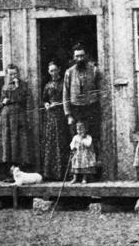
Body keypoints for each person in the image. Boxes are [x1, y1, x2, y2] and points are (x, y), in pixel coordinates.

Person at [63, 44, 102, 176]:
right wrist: (68, 114)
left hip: (91, 107)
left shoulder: (94, 70)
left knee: (93, 139)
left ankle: (92, 173)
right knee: (76, 139)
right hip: (76, 109)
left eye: (82, 55)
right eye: (77, 56)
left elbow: (101, 90)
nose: (80, 58)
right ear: (74, 57)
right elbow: (65, 94)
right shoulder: (69, 72)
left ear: (85, 56)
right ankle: (76, 173)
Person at [0, 63, 33, 174]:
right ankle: (9, 172)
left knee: (19, 141)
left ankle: (19, 171)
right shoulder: (5, 86)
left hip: (19, 115)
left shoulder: (23, 85)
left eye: (15, 73)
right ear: (7, 74)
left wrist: (17, 87)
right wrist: (3, 102)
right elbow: (1, 101)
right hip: (6, 116)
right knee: (7, 142)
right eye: (10, 74)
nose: (13, 76)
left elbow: (24, 100)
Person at [41, 60, 70, 181]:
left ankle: (62, 173)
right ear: (48, 72)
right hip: (50, 117)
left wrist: (58, 104)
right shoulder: (47, 85)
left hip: (61, 115)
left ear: (59, 70)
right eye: (51, 71)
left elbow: (68, 98)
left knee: (61, 142)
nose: (53, 73)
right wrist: (47, 104)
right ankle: (51, 173)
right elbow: (44, 99)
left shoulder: (64, 83)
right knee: (51, 142)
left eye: (55, 70)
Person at [69, 120, 97, 184]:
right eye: (78, 130)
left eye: (81, 130)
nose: (79, 131)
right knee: (75, 166)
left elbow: (88, 144)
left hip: (85, 155)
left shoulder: (88, 137)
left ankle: (84, 178)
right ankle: (75, 178)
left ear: (86, 129)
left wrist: (83, 139)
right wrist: (73, 147)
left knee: (85, 167)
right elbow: (72, 144)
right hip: (77, 154)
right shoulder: (75, 137)